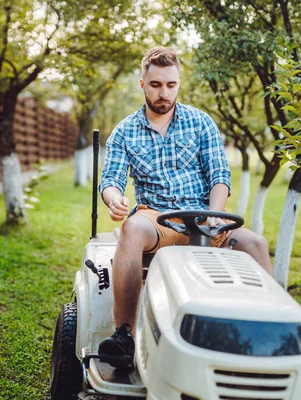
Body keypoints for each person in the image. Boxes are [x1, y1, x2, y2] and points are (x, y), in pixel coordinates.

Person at [97, 46, 272, 369]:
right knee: (132, 227)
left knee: (256, 243)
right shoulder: (124, 131)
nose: (164, 93)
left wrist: (213, 216)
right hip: (157, 219)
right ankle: (124, 335)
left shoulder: (201, 123)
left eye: (171, 85)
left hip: (205, 218)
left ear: (178, 83)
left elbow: (220, 176)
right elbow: (110, 180)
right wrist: (115, 200)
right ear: (142, 84)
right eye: (156, 85)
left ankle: (267, 339)